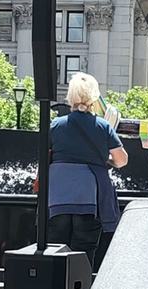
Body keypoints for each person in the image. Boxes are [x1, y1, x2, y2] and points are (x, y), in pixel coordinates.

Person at [46, 73, 128, 264]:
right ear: (94, 97)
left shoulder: (56, 125)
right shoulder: (103, 126)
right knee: (84, 255)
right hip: (89, 199)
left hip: (57, 199)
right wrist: (107, 161)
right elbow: (122, 160)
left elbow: (45, 157)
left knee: (55, 251)